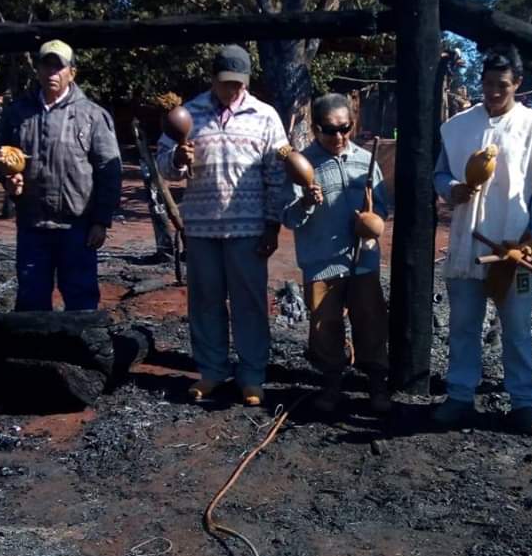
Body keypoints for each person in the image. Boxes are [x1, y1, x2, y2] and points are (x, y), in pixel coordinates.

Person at [432, 46, 532, 433]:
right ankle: (460, 395)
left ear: (518, 85)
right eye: (489, 83)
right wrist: (452, 189)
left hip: (513, 246)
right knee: (462, 325)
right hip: (467, 241)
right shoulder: (459, 125)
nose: (494, 91)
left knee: (517, 326)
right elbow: (440, 174)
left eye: (503, 85)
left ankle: (524, 402)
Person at [156, 44, 288, 407]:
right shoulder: (189, 112)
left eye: (239, 83)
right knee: (205, 303)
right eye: (226, 83)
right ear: (213, 79)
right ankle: (212, 371)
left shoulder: (265, 116)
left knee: (250, 305)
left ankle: (252, 376)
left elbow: (278, 174)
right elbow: (163, 167)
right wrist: (177, 160)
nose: (233, 91)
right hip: (201, 229)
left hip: (249, 230)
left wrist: (273, 224)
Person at [281, 93, 391, 415]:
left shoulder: (364, 160)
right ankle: (331, 382)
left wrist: (371, 221)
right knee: (325, 326)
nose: (339, 136)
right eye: (330, 130)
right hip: (322, 261)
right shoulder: (301, 165)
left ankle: (376, 382)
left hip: (362, 262)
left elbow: (382, 208)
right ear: (316, 129)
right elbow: (288, 217)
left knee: (371, 320)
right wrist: (306, 203)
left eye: (345, 128)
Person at [0, 40, 122, 311]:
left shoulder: (92, 116)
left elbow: (109, 172)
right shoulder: (17, 113)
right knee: (30, 298)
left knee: (81, 298)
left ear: (72, 73)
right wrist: (8, 179)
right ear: (37, 70)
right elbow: (2, 156)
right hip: (32, 225)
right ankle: (34, 353)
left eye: (59, 67)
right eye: (47, 66)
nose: (52, 73)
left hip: (76, 227)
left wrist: (101, 221)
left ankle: (81, 352)